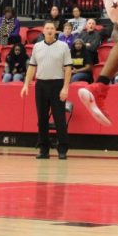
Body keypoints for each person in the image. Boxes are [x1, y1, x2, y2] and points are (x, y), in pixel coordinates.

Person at [21, 20, 72, 160]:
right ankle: (44, 149)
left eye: (52, 28)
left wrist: (65, 88)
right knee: (42, 119)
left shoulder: (63, 46)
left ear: (55, 31)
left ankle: (62, 149)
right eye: (47, 28)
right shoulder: (37, 47)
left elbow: (68, 68)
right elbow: (32, 66)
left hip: (57, 84)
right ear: (43, 31)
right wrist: (26, 84)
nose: (49, 30)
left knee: (59, 118)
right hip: (41, 85)